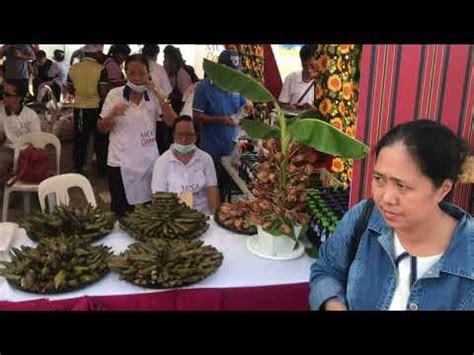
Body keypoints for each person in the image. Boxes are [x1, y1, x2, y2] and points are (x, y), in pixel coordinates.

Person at [309, 119, 474, 311]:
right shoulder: (364, 217)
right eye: (379, 179)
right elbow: (327, 269)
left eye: (402, 186)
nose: (386, 198)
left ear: (442, 189)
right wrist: (334, 304)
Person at [97, 54, 177, 217]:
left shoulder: (155, 96)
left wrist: (158, 93)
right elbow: (101, 129)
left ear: (148, 73)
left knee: (148, 212)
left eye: (141, 73)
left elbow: (172, 122)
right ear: (125, 73)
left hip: (148, 162)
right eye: (132, 73)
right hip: (120, 162)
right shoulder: (115, 95)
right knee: (121, 212)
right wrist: (112, 115)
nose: (137, 78)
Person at [193, 50, 253, 201]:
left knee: (227, 187)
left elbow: (246, 104)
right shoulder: (204, 88)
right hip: (211, 148)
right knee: (211, 188)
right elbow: (197, 116)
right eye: (229, 73)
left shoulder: (236, 86)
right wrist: (220, 119)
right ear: (219, 69)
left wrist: (247, 108)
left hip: (231, 149)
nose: (232, 77)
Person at [151, 115, 219, 214]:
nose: (184, 139)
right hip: (174, 216)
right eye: (180, 134)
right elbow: (158, 196)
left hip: (202, 214)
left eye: (189, 135)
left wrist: (215, 219)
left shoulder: (205, 159)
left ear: (196, 136)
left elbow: (212, 190)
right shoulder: (162, 162)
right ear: (173, 136)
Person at [67, 44, 108, 176]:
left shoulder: (73, 68)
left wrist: (80, 92)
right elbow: (103, 92)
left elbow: (70, 89)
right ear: (97, 53)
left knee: (80, 139)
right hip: (97, 108)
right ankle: (102, 170)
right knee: (100, 140)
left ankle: (78, 168)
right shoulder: (101, 69)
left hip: (79, 109)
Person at [0, 80, 41, 175]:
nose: (3, 97)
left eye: (7, 95)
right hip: (7, 149)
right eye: (2, 93)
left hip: (26, 151)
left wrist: (23, 154)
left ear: (18, 98)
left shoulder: (30, 115)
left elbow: (37, 142)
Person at [141, 44, 173, 153]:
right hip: (159, 114)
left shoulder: (138, 67)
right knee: (158, 144)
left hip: (141, 112)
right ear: (156, 54)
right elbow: (168, 91)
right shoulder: (159, 69)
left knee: (142, 142)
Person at [278, 45, 319, 111]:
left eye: (312, 66)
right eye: (305, 66)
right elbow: (282, 104)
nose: (308, 69)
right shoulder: (291, 78)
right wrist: (292, 108)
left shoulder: (323, 81)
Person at [163, 45, 193, 114]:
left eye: (165, 58)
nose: (164, 61)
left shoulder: (182, 75)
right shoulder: (169, 72)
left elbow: (187, 97)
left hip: (180, 109)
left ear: (171, 60)